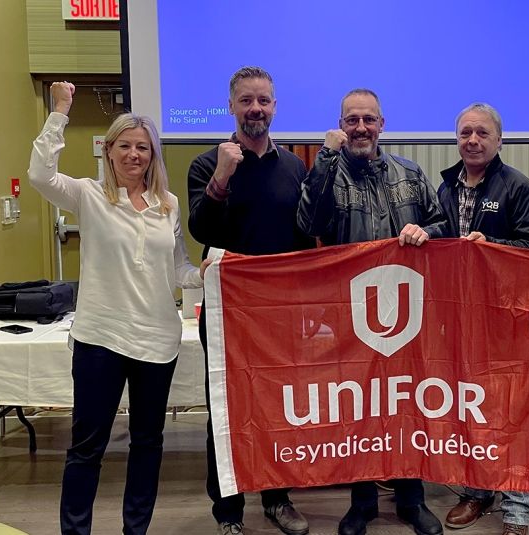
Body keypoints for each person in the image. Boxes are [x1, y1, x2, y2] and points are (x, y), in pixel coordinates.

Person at [29, 82, 206, 535]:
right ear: (108, 151)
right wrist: (60, 112)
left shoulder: (167, 205)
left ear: (153, 155)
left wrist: (207, 272)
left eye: (142, 147)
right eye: (124, 146)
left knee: (148, 444)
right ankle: (76, 531)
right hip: (100, 339)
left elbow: (177, 268)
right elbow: (39, 176)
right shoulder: (87, 195)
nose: (133, 154)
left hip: (157, 342)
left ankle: (136, 530)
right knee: (87, 447)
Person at [297, 89, 446, 535]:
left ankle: (411, 500)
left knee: (406, 403)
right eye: (351, 120)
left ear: (382, 124)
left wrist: (427, 230)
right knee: (357, 408)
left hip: (407, 310)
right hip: (350, 314)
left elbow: (444, 227)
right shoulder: (326, 172)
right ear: (341, 126)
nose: (360, 128)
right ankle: (360, 501)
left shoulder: (411, 173)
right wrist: (324, 160)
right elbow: (308, 225)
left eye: (368, 120)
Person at [187, 66, 313, 535]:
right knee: (227, 410)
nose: (255, 108)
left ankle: (277, 501)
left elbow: (303, 239)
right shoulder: (206, 164)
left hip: (280, 312)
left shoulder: (294, 166)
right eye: (246, 101)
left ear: (275, 107)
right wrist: (222, 175)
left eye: (263, 100)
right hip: (226, 314)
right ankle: (229, 513)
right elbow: (202, 230)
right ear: (232, 107)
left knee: (279, 408)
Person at [437, 103, 529, 535]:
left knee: (512, 408)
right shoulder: (443, 187)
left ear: (499, 139)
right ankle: (476, 491)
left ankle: (516, 503)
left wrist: (490, 244)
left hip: (507, 318)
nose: (472, 140)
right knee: (468, 405)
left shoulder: (519, 187)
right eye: (465, 133)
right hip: (458, 317)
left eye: (481, 133)